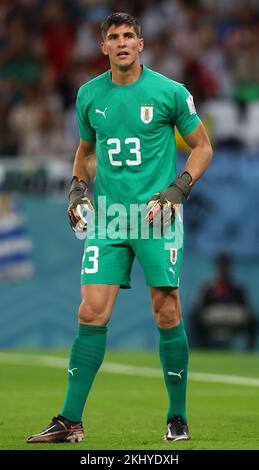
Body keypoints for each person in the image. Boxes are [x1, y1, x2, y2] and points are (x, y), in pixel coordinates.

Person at [27, 12, 213, 444]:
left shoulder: (170, 92)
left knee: (166, 310)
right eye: (114, 36)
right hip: (109, 218)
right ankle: (70, 422)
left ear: (141, 44)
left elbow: (202, 147)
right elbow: (86, 151)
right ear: (103, 47)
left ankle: (177, 416)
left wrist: (178, 189)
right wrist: (77, 190)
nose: (123, 42)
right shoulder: (89, 95)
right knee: (90, 311)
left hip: (157, 215)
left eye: (129, 35)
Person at [190, 253, 257, 350]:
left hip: (233, 318)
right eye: (222, 265)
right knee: (194, 317)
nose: (224, 269)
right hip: (213, 318)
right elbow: (199, 308)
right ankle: (200, 349)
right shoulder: (209, 288)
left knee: (253, 320)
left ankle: (249, 351)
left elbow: (246, 308)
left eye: (226, 265)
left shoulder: (237, 288)